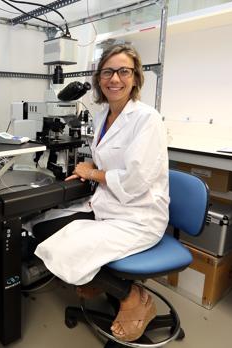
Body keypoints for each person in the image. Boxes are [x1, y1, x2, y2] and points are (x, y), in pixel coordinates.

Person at [32, 44, 169, 342]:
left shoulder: (147, 119)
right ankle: (101, 281)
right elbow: (108, 153)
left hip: (139, 216)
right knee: (42, 228)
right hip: (109, 206)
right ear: (99, 78)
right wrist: (91, 162)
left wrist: (91, 173)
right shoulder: (103, 114)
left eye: (123, 71)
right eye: (107, 72)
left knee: (63, 249)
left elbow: (135, 180)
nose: (114, 79)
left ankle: (131, 295)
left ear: (135, 78)